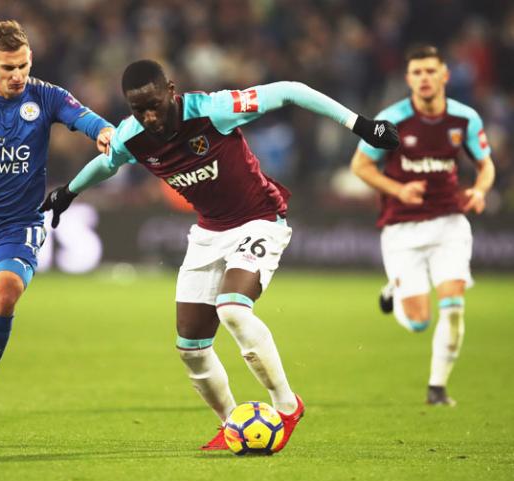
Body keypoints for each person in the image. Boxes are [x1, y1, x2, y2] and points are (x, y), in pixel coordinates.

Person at [40, 59, 399, 451]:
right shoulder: (132, 136)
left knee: (232, 309)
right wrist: (68, 192)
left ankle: (287, 404)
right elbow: (107, 164)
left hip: (260, 219)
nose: (149, 116)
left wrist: (361, 125)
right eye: (138, 109)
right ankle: (232, 425)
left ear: (171, 91)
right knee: (190, 349)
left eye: (154, 105)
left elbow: (291, 90)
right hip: (209, 233)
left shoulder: (214, 110)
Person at [0, 20, 114, 440]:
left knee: (7, 289)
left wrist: (103, 131)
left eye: (24, 66)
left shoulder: (45, 95)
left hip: (18, 222)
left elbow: (83, 116)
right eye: (8, 68)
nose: (17, 76)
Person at [350, 45, 495, 406]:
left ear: (445, 75)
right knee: (418, 322)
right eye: (417, 72)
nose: (424, 78)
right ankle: (394, 291)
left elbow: (486, 165)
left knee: (454, 305)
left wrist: (478, 191)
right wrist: (399, 189)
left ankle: (437, 388)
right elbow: (361, 166)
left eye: (431, 71)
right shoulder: (392, 119)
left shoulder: (464, 119)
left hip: (449, 222)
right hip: (402, 227)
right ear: (408, 79)